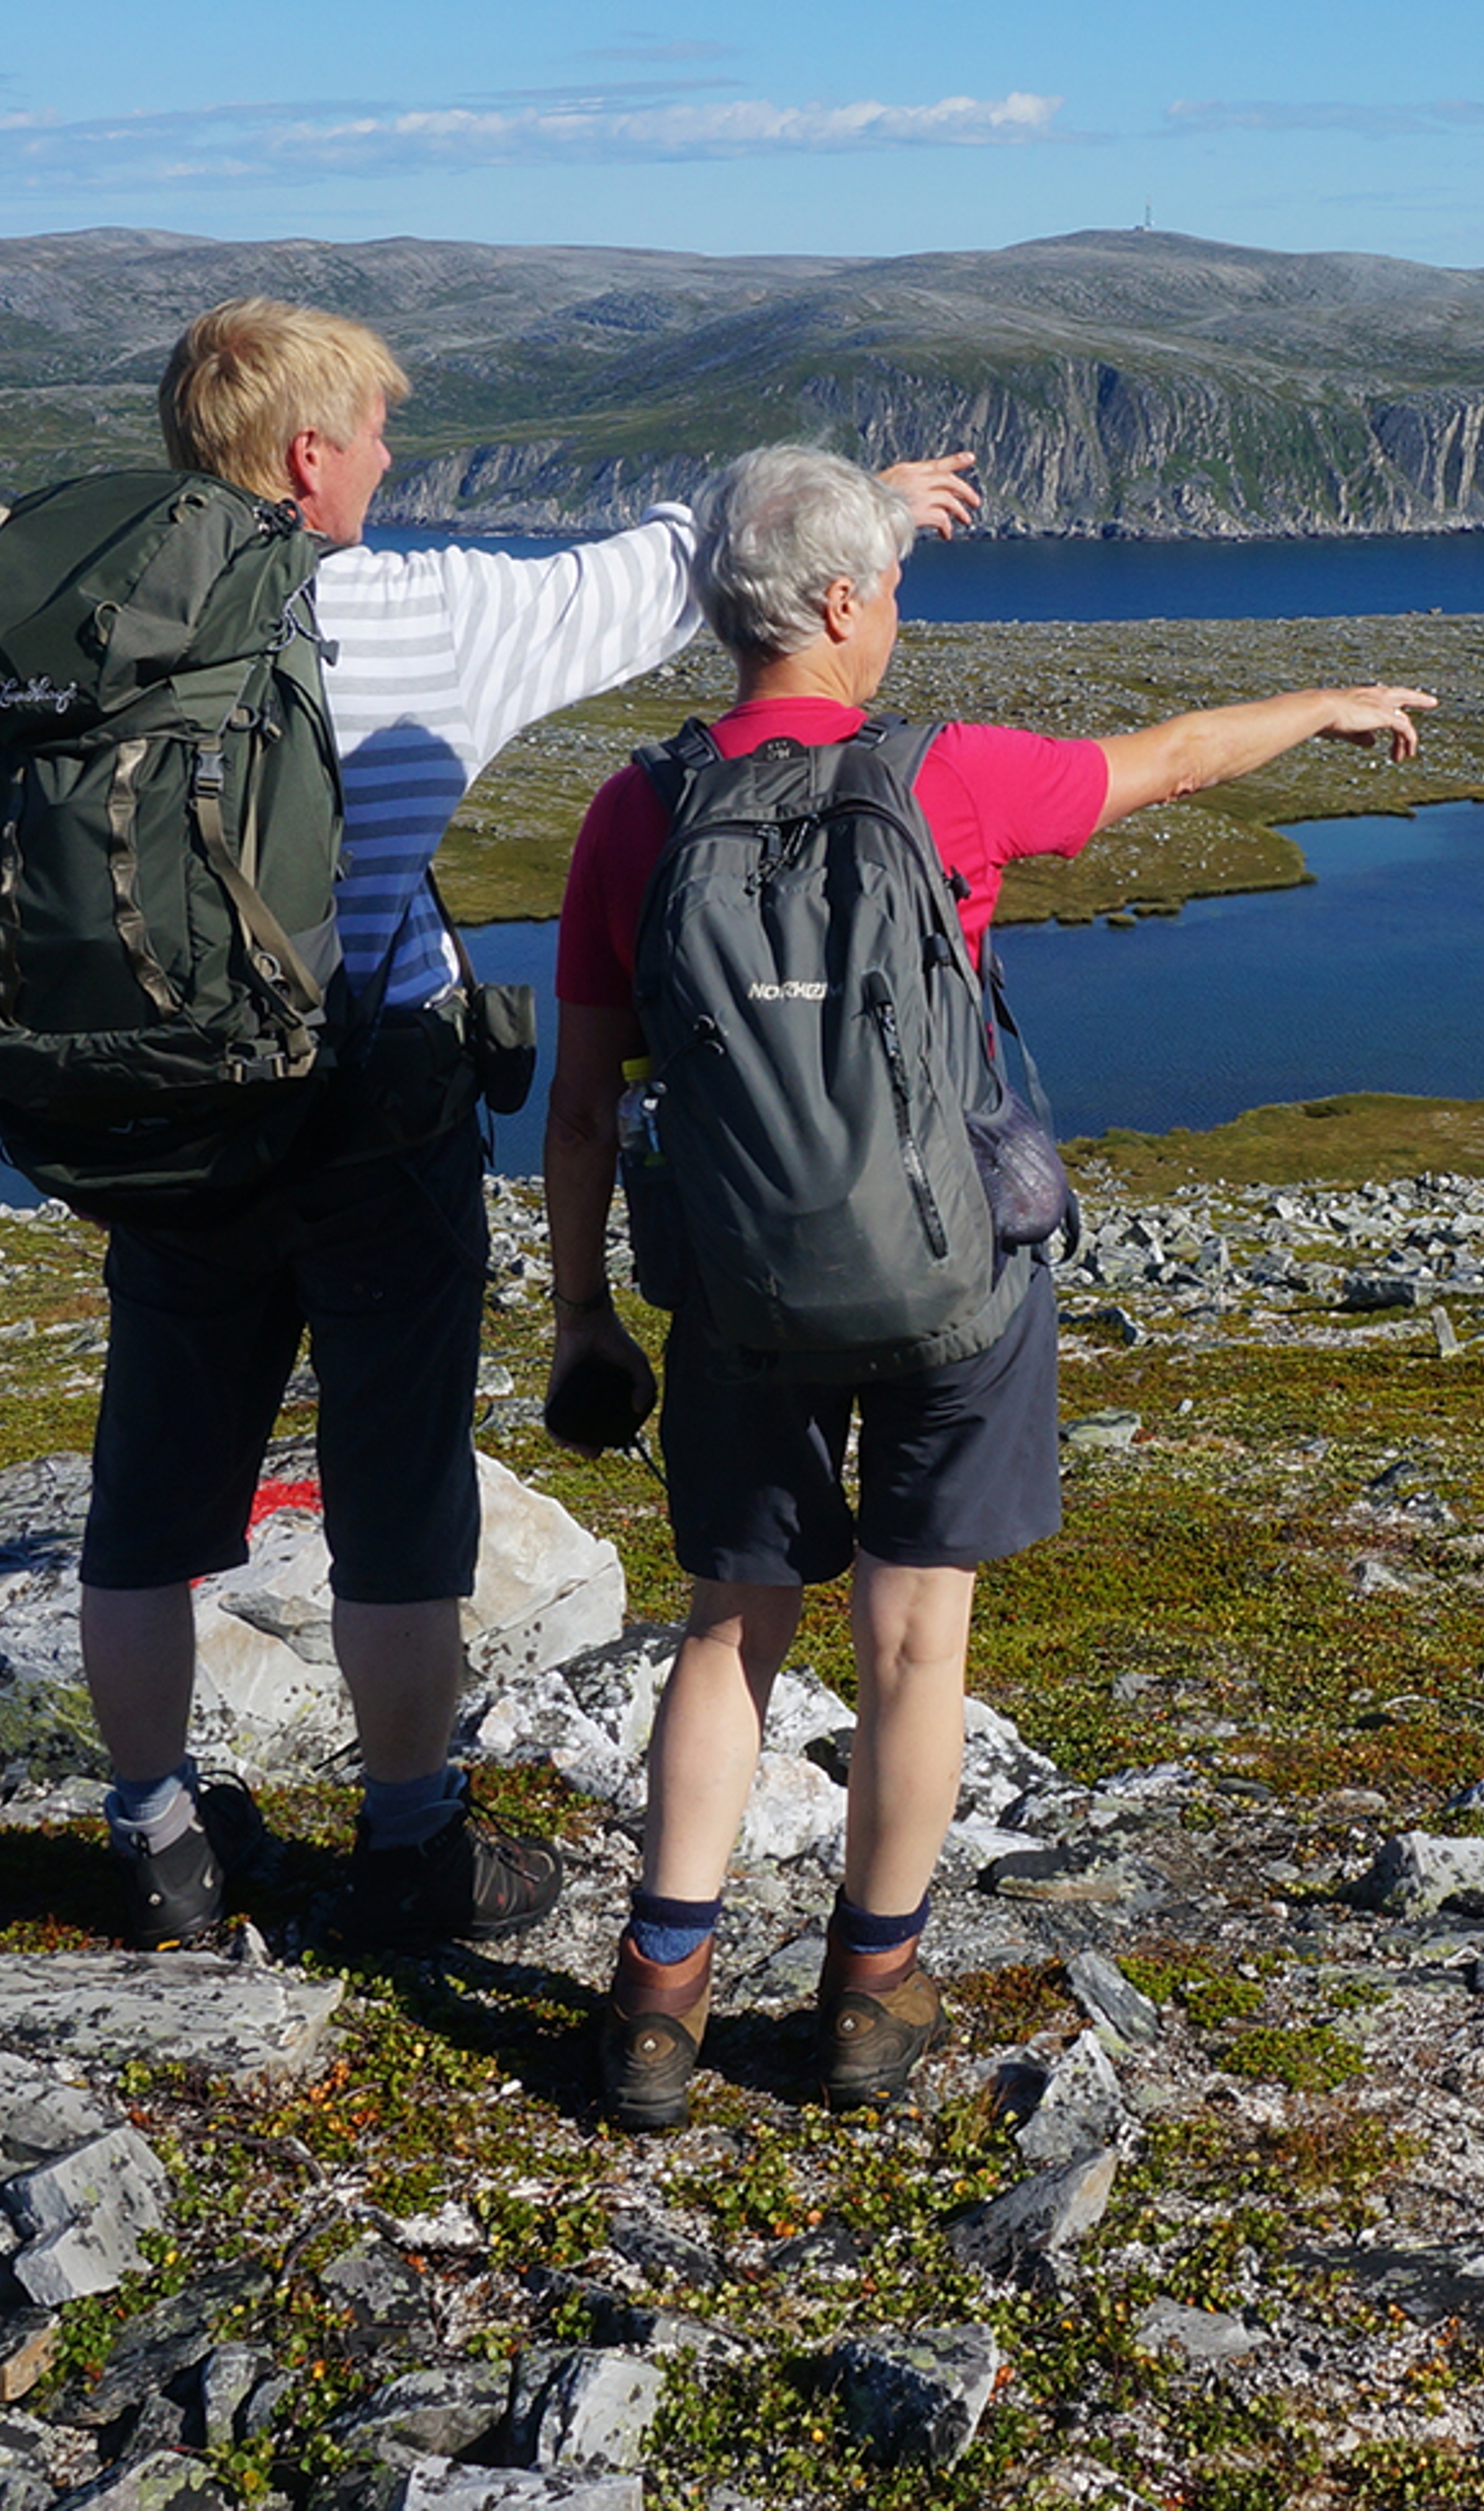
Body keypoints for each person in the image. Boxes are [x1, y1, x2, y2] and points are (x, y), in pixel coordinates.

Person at [543, 442, 1433, 2124]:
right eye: (882, 585)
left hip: (735, 1295)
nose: (895, 612)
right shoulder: (949, 780)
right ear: (835, 603)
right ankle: (871, 1996)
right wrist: (1323, 704)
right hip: (955, 1284)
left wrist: (589, 1315)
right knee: (914, 1641)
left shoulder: (635, 812)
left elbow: (585, 1104)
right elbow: (1163, 763)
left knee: (731, 1631)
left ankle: (659, 2007)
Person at [81, 302, 983, 1952]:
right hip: (372, 1104)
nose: (388, 461)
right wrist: (868, 502)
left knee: (149, 1491)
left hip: (163, 1112)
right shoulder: (422, 618)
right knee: (398, 1486)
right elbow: (674, 564)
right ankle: (412, 1842)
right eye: (374, 436)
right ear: (306, 459)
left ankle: (153, 1839)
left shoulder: (86, 617)